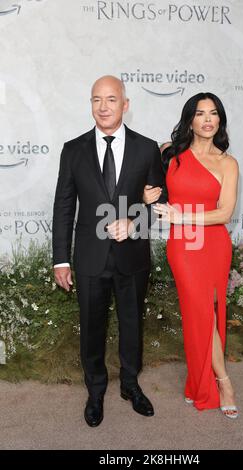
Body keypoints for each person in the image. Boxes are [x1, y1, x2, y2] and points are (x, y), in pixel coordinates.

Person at [52, 75, 166, 427]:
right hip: (88, 257)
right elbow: (64, 207)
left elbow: (162, 203)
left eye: (111, 99)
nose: (103, 106)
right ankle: (96, 390)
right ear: (91, 104)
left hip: (132, 256)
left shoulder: (147, 148)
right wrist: (61, 258)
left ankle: (131, 385)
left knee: (132, 324)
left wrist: (135, 221)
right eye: (96, 100)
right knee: (92, 328)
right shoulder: (73, 149)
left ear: (125, 105)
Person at [143, 92, 239, 418]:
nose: (208, 119)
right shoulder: (170, 154)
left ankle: (203, 381)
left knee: (207, 315)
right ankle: (220, 381)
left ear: (220, 120)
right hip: (183, 246)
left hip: (214, 244)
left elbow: (224, 213)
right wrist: (146, 192)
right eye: (200, 113)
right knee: (198, 312)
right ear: (191, 119)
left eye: (214, 113)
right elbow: (144, 183)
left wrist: (183, 216)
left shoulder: (228, 163)